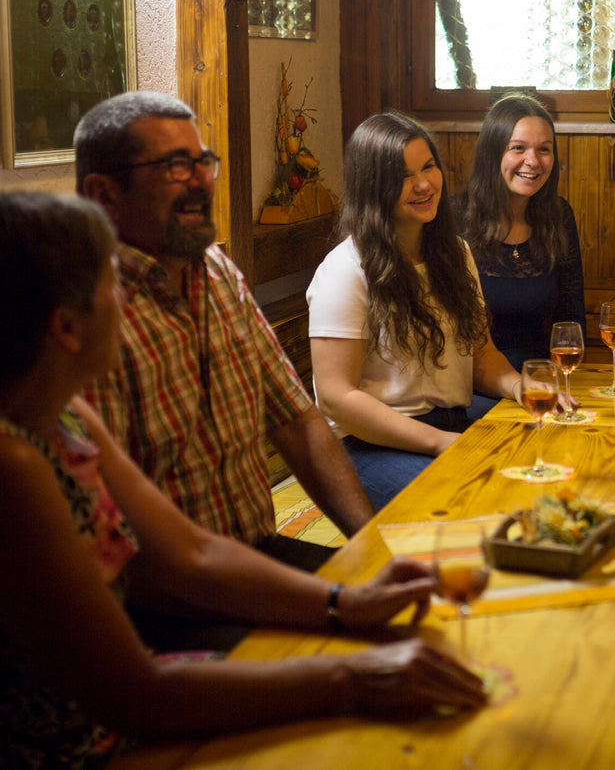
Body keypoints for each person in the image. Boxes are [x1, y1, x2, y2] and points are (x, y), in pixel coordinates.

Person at [0, 192, 485, 769]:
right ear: (66, 326)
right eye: (112, 285)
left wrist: (345, 602)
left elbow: (190, 551)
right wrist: (357, 677)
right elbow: (136, 694)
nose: (129, 303)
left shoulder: (53, 409)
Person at [75, 91, 374, 650]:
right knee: (353, 660)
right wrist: (329, 604)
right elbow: (122, 550)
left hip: (257, 553)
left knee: (416, 610)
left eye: (203, 161)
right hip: (157, 607)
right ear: (104, 193)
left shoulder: (216, 273)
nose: (201, 181)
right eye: (174, 166)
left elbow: (299, 423)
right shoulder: (87, 312)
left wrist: (370, 547)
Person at [307, 112, 521, 511]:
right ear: (374, 187)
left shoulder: (456, 253)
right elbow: (336, 397)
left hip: (451, 423)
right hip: (370, 445)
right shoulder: (345, 270)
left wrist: (521, 387)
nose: (424, 184)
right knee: (475, 503)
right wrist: (441, 443)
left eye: (429, 167)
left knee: (542, 465)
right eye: (404, 176)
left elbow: (482, 356)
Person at [455, 94, 585, 375]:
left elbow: (571, 319)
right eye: (518, 148)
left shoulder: (559, 216)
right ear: (493, 153)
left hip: (544, 378)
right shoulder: (455, 219)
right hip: (473, 384)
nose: (533, 161)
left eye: (544, 150)